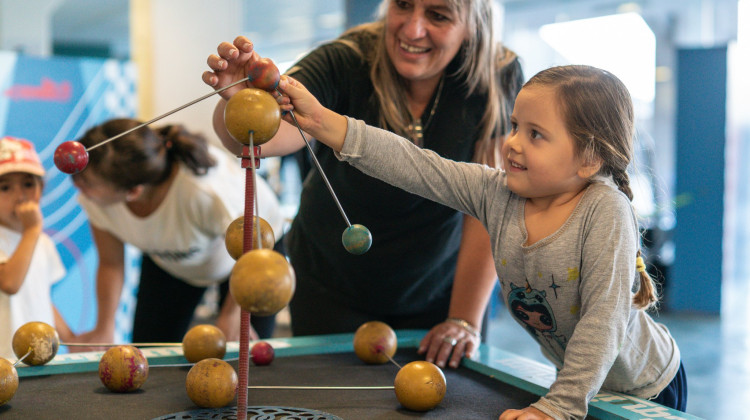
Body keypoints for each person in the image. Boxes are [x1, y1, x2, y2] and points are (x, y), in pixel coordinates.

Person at [273, 65, 686, 419]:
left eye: (536, 134)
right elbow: (415, 165)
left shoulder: (605, 209)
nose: (512, 143)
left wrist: (558, 406)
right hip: (582, 386)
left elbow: (603, 320)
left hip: (646, 389)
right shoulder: (497, 192)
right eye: (514, 126)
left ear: (589, 159)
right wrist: (322, 122)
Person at [203, 0, 524, 369]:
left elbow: (489, 203)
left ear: (473, 26)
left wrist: (463, 318)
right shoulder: (344, 60)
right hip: (332, 287)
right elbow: (264, 138)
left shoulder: (496, 74)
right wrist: (240, 102)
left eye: (438, 15)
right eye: (403, 6)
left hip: (440, 290)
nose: (412, 29)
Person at [68, 119, 284, 345]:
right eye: (78, 177)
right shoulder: (96, 197)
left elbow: (255, 254)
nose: (78, 186)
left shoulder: (204, 194)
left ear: (133, 192)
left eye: (86, 183)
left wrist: (233, 314)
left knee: (245, 353)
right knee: (150, 349)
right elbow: (110, 263)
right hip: (173, 258)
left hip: (254, 254)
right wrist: (104, 327)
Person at [0, 136, 75, 360]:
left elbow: (41, 297)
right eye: (5, 187)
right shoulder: (34, 234)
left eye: (28, 184)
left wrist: (70, 338)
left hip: (43, 358)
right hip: (5, 359)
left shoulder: (42, 241)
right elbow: (10, 283)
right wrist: (31, 230)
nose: (20, 196)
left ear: (41, 188)